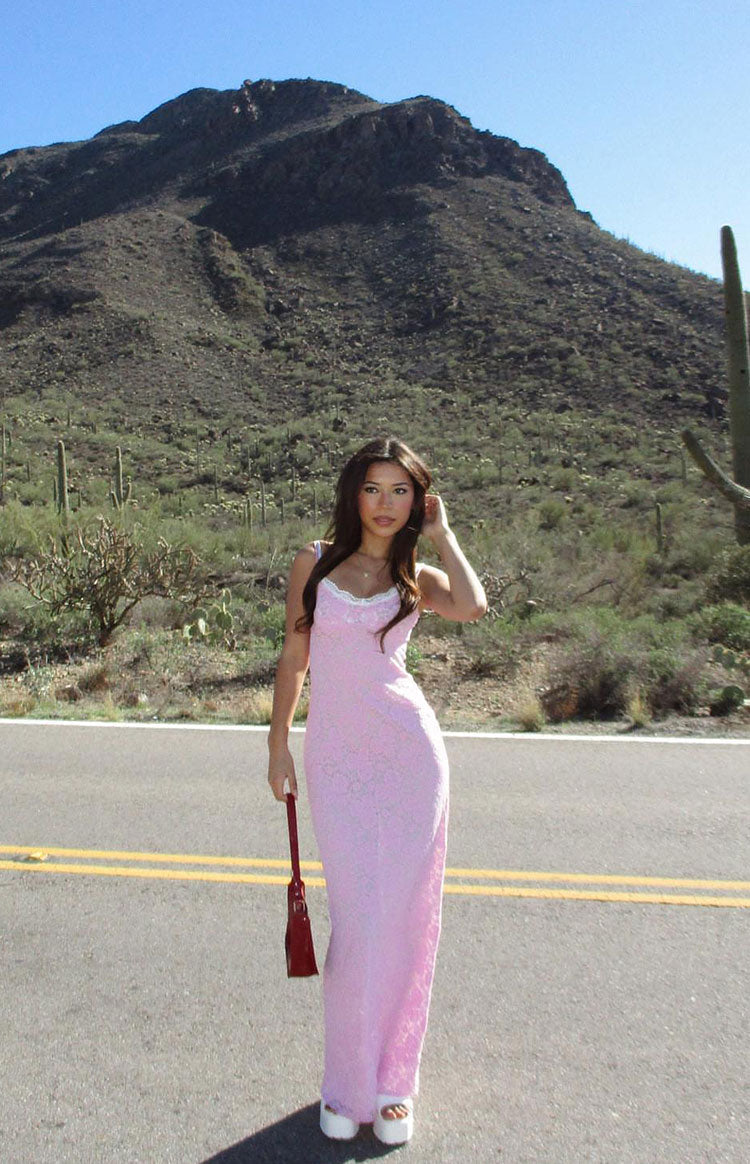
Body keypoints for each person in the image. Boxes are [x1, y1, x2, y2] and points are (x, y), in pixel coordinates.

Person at [266, 436, 487, 1144]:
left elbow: (475, 606)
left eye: (401, 491)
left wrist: (444, 534)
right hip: (336, 758)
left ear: (417, 501)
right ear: (352, 493)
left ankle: (394, 1085)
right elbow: (295, 656)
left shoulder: (415, 574)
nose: (386, 504)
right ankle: (346, 1085)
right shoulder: (315, 562)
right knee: (358, 928)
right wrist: (277, 746)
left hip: (411, 757)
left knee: (405, 922)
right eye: (374, 489)